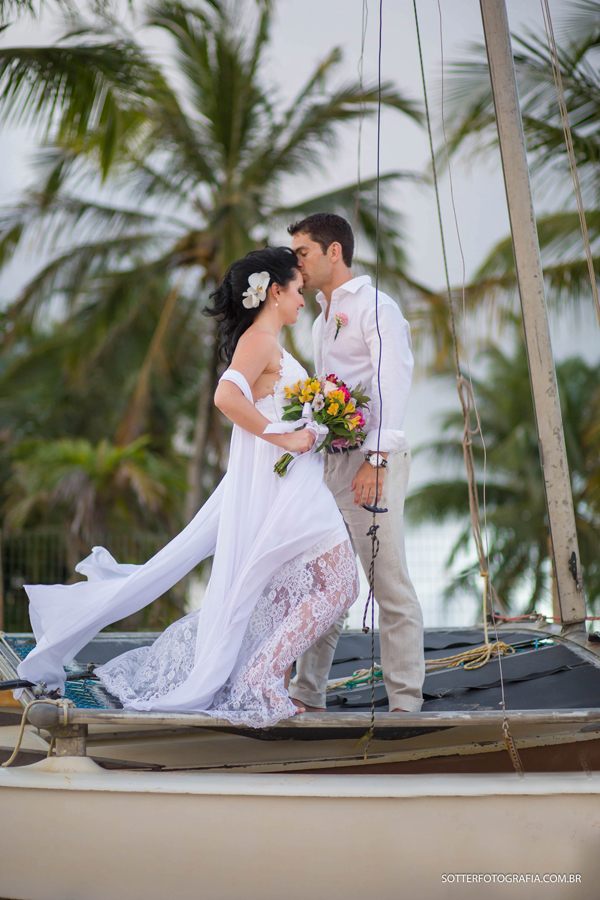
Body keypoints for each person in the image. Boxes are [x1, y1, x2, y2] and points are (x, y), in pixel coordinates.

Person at [16, 247, 359, 728]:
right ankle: (260, 678)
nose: (303, 300)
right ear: (275, 292)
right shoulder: (260, 340)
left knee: (297, 588)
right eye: (298, 290)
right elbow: (225, 395)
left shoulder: (269, 343)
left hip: (294, 484)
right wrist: (284, 436)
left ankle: (260, 676)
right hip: (290, 490)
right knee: (340, 584)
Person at [288, 213, 425, 713]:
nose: (297, 264)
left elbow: (394, 381)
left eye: (302, 253)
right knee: (328, 581)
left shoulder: (375, 307)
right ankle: (306, 694)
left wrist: (377, 458)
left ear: (334, 252)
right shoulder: (321, 320)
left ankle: (405, 704)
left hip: (373, 462)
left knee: (388, 583)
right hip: (332, 463)